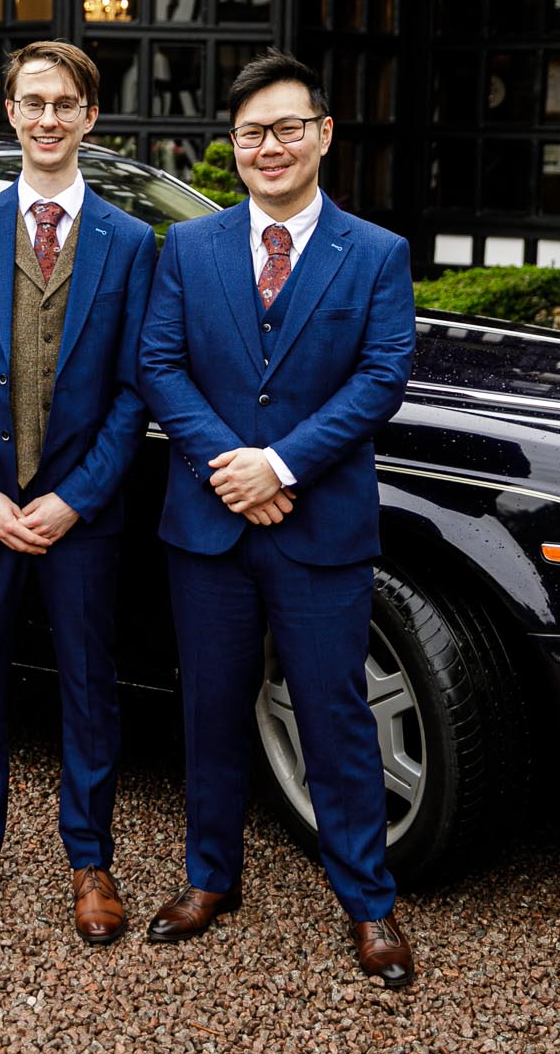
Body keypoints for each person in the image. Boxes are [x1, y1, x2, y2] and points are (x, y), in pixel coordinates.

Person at [136, 48, 419, 987]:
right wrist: (233, 467)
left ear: (323, 134)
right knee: (210, 708)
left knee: (335, 714)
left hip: (320, 524)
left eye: (289, 127)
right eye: (252, 131)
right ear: (234, 145)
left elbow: (381, 379)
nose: (270, 145)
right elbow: (159, 365)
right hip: (209, 526)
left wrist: (282, 463)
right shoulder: (190, 247)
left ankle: (367, 902)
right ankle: (211, 877)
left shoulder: (376, 253)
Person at [0, 41, 158, 944]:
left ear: (90, 117)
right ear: (9, 111)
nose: (48, 118)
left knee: (90, 684)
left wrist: (79, 497)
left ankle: (90, 857)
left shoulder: (132, 244)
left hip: (80, 513)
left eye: (67, 103)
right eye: (33, 102)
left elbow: (139, 388)